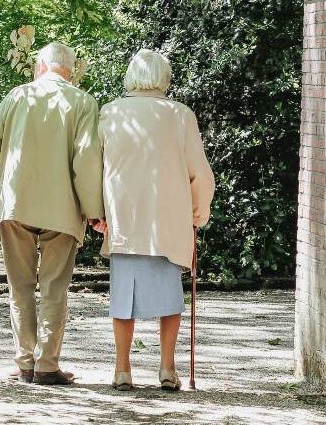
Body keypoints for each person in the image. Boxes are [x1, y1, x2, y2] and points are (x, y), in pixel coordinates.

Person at [0, 42, 105, 385]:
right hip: (62, 209)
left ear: (41, 66)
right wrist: (94, 211)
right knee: (54, 287)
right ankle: (47, 365)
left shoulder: (17, 96)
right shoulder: (83, 102)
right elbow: (87, 160)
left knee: (20, 286)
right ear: (70, 70)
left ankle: (24, 362)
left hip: (17, 204)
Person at [92, 49, 215, 391]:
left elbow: (94, 167)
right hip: (167, 221)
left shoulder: (110, 113)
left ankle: (122, 369)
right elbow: (200, 174)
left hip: (125, 219)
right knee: (169, 298)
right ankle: (166, 368)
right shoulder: (180, 115)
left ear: (132, 75)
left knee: (122, 299)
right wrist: (197, 213)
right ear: (165, 77)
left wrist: (96, 213)